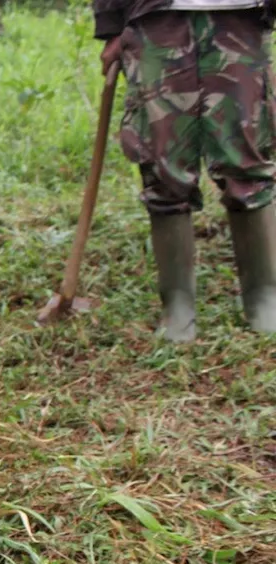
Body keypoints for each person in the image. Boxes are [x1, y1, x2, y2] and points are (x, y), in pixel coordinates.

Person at [94, 0, 276, 341]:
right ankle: (177, 306)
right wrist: (109, 24)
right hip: (155, 19)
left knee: (247, 157)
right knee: (163, 161)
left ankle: (265, 298)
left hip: (241, 16)